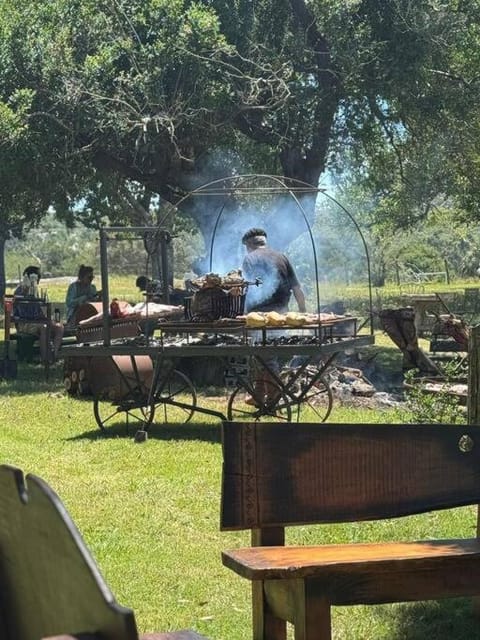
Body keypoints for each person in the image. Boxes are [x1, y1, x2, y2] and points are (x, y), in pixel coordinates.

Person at [241, 227, 306, 405]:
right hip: (282, 315)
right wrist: (303, 313)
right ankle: (259, 395)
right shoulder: (282, 257)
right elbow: (297, 289)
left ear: (248, 245)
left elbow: (247, 290)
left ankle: (274, 397)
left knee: (266, 357)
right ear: (264, 242)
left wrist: (243, 313)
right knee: (264, 356)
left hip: (261, 317)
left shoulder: (249, 259)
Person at [13, 265, 64, 362]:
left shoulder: (36, 291)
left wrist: (47, 319)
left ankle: (54, 355)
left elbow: (39, 311)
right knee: (44, 327)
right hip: (25, 324)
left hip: (37, 322)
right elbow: (22, 312)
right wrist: (25, 292)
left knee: (59, 327)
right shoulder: (19, 291)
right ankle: (45, 359)